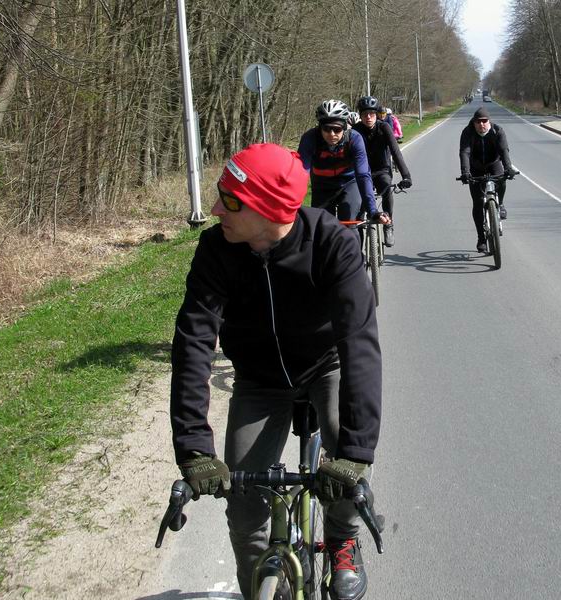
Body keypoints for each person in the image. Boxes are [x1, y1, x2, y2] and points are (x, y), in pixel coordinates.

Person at [169, 143, 382, 600]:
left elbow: (359, 342)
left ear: (266, 208)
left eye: (229, 201)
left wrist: (357, 452)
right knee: (243, 503)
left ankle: (343, 540)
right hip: (259, 379)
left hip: (327, 364)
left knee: (344, 448)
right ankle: (259, 585)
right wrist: (193, 448)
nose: (212, 210)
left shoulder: (331, 243)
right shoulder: (215, 250)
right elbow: (193, 342)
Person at [298, 99, 385, 223]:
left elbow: (363, 175)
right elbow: (300, 173)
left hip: (349, 183)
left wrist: (372, 211)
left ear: (344, 127)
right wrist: (290, 206)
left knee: (349, 222)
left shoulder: (354, 139)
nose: (331, 134)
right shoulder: (310, 138)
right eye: (326, 129)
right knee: (322, 227)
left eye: (337, 129)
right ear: (319, 127)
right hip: (322, 185)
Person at [353, 96, 412, 247]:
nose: (368, 117)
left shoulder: (384, 127)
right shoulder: (356, 130)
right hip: (360, 173)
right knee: (358, 206)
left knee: (386, 188)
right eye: (365, 114)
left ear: (376, 114)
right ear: (360, 115)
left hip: (381, 170)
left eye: (372, 114)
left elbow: (395, 151)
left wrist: (406, 176)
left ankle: (388, 224)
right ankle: (356, 238)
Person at [459, 107, 515, 253]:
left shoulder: (497, 131)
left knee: (502, 179)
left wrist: (508, 168)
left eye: (484, 121)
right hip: (475, 168)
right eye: (478, 122)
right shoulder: (468, 132)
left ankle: (500, 204)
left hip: (494, 164)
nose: (481, 124)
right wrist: (465, 172)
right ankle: (481, 238)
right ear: (474, 122)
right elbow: (464, 153)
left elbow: (504, 151)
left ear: (489, 121)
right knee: (477, 203)